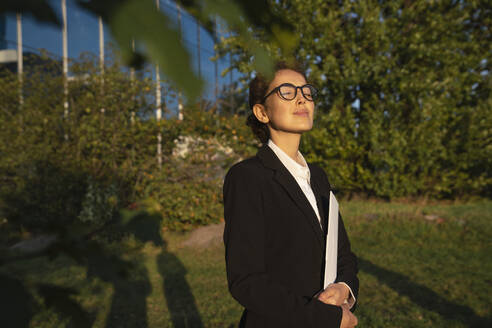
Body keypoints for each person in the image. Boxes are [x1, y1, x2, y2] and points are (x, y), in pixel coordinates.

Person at [223, 62, 359, 328]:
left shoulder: (317, 176)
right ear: (262, 112)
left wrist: (344, 288)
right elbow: (246, 281)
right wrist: (325, 318)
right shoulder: (247, 177)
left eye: (306, 91)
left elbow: (343, 254)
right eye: (286, 91)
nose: (301, 97)